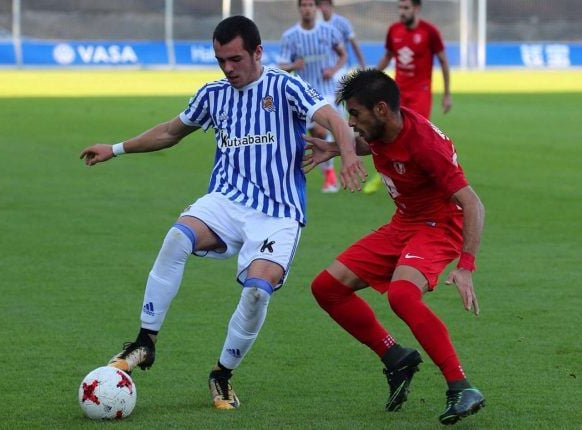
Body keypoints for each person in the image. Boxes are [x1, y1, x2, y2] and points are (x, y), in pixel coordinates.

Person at [80, 16, 365, 410]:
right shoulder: (213, 94)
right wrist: (115, 148)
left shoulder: (284, 86)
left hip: (278, 212)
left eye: (235, 59)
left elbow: (333, 118)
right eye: (220, 60)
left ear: (257, 52)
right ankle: (145, 341)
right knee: (177, 236)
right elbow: (170, 131)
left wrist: (348, 155)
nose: (228, 68)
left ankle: (221, 374)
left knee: (256, 293)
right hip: (227, 200)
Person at [303, 69, 485, 425]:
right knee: (327, 288)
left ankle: (461, 386)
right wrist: (336, 148)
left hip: (439, 226)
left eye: (355, 114)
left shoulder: (425, 145)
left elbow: (473, 203)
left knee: (402, 295)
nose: (350, 122)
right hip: (403, 223)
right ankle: (396, 357)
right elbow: (370, 143)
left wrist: (465, 267)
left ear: (382, 109)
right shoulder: (384, 128)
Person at [365, 0, 452, 195]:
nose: (402, 12)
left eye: (406, 8)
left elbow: (444, 61)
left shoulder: (429, 32)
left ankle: (419, 176)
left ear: (416, 9)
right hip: (397, 92)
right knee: (385, 131)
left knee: (414, 136)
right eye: (400, 8)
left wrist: (447, 94)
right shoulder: (394, 30)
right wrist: (370, 78)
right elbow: (387, 56)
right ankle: (386, 174)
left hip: (420, 92)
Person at [279, 0, 348, 193]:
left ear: (315, 8)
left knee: (340, 131)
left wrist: (333, 69)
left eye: (311, 5)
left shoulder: (329, 31)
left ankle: (347, 166)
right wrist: (293, 66)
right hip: (306, 94)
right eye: (304, 5)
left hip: (329, 91)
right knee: (317, 134)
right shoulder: (290, 36)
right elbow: (282, 66)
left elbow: (343, 54)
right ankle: (330, 174)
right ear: (299, 8)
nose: (307, 8)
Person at [317, 0, 366, 70]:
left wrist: (362, 65)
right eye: (320, 5)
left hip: (341, 67)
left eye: (325, 4)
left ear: (331, 6)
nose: (323, 8)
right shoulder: (316, 24)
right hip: (322, 67)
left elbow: (354, 45)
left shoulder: (342, 23)